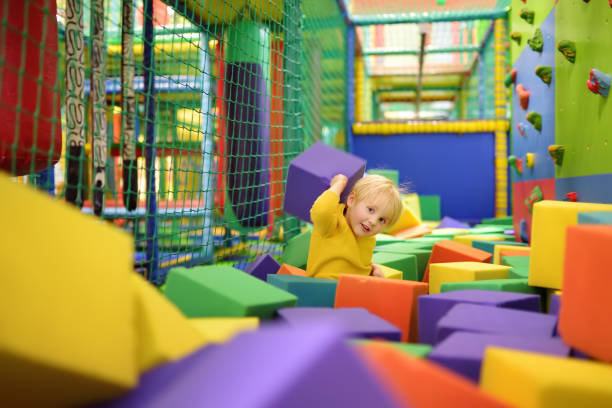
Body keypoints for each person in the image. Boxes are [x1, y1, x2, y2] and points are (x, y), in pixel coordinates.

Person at [306, 173, 403, 280]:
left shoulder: (369, 239)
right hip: (325, 286)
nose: (373, 222)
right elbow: (322, 211)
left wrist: (371, 269)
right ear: (351, 200)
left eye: (381, 220)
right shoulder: (332, 223)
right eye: (370, 210)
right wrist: (339, 184)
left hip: (354, 289)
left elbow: (354, 260)